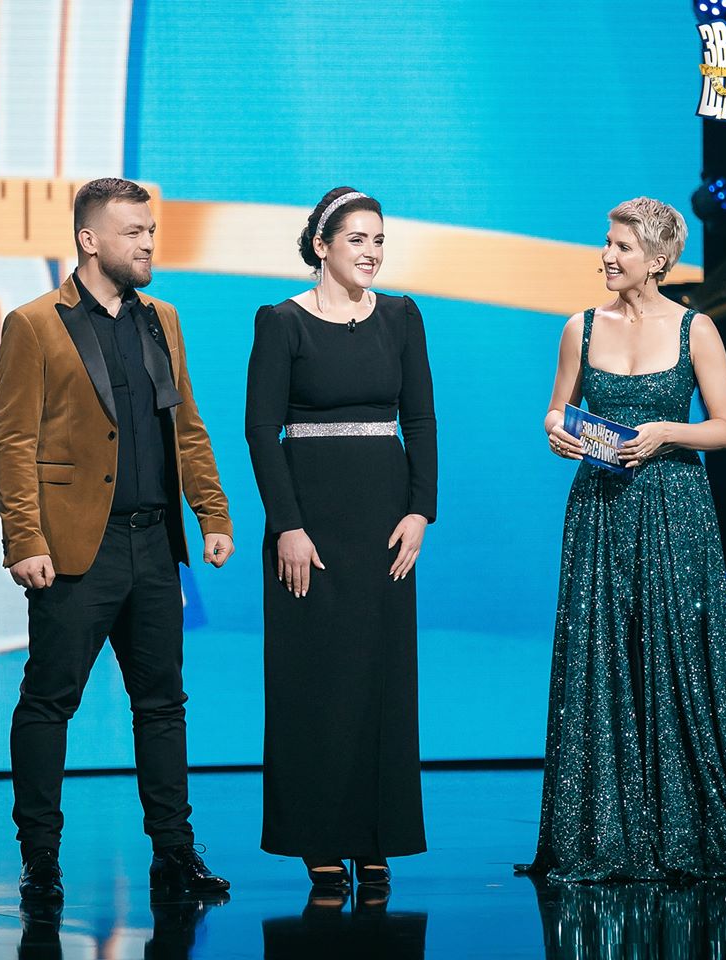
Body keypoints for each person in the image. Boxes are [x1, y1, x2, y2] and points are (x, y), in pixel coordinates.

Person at [524, 196, 726, 882]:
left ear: (658, 259)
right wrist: (557, 430)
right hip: (600, 511)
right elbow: (557, 408)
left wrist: (666, 432)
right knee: (602, 654)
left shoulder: (697, 329)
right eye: (607, 243)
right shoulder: (580, 327)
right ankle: (605, 830)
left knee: (682, 656)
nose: (607, 255)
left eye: (623, 247)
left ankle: (691, 823)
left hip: (675, 509)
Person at [0, 177, 234, 903]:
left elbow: (186, 425)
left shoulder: (163, 319)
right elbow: (13, 441)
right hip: (74, 551)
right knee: (48, 702)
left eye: (150, 231)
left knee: (162, 705)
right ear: (89, 240)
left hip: (154, 545)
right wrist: (24, 538)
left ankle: (175, 853)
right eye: (134, 232)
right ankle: (41, 857)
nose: (149, 243)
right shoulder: (35, 324)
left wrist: (212, 513)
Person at [245, 187, 437, 889]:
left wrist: (420, 511)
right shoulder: (281, 321)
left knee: (381, 680)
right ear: (321, 246)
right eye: (358, 239)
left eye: (379, 240)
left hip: (384, 523)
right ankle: (318, 838)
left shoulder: (402, 317)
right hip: (310, 526)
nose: (372, 252)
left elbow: (420, 419)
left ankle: (376, 835)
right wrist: (287, 525)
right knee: (314, 681)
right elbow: (260, 430)